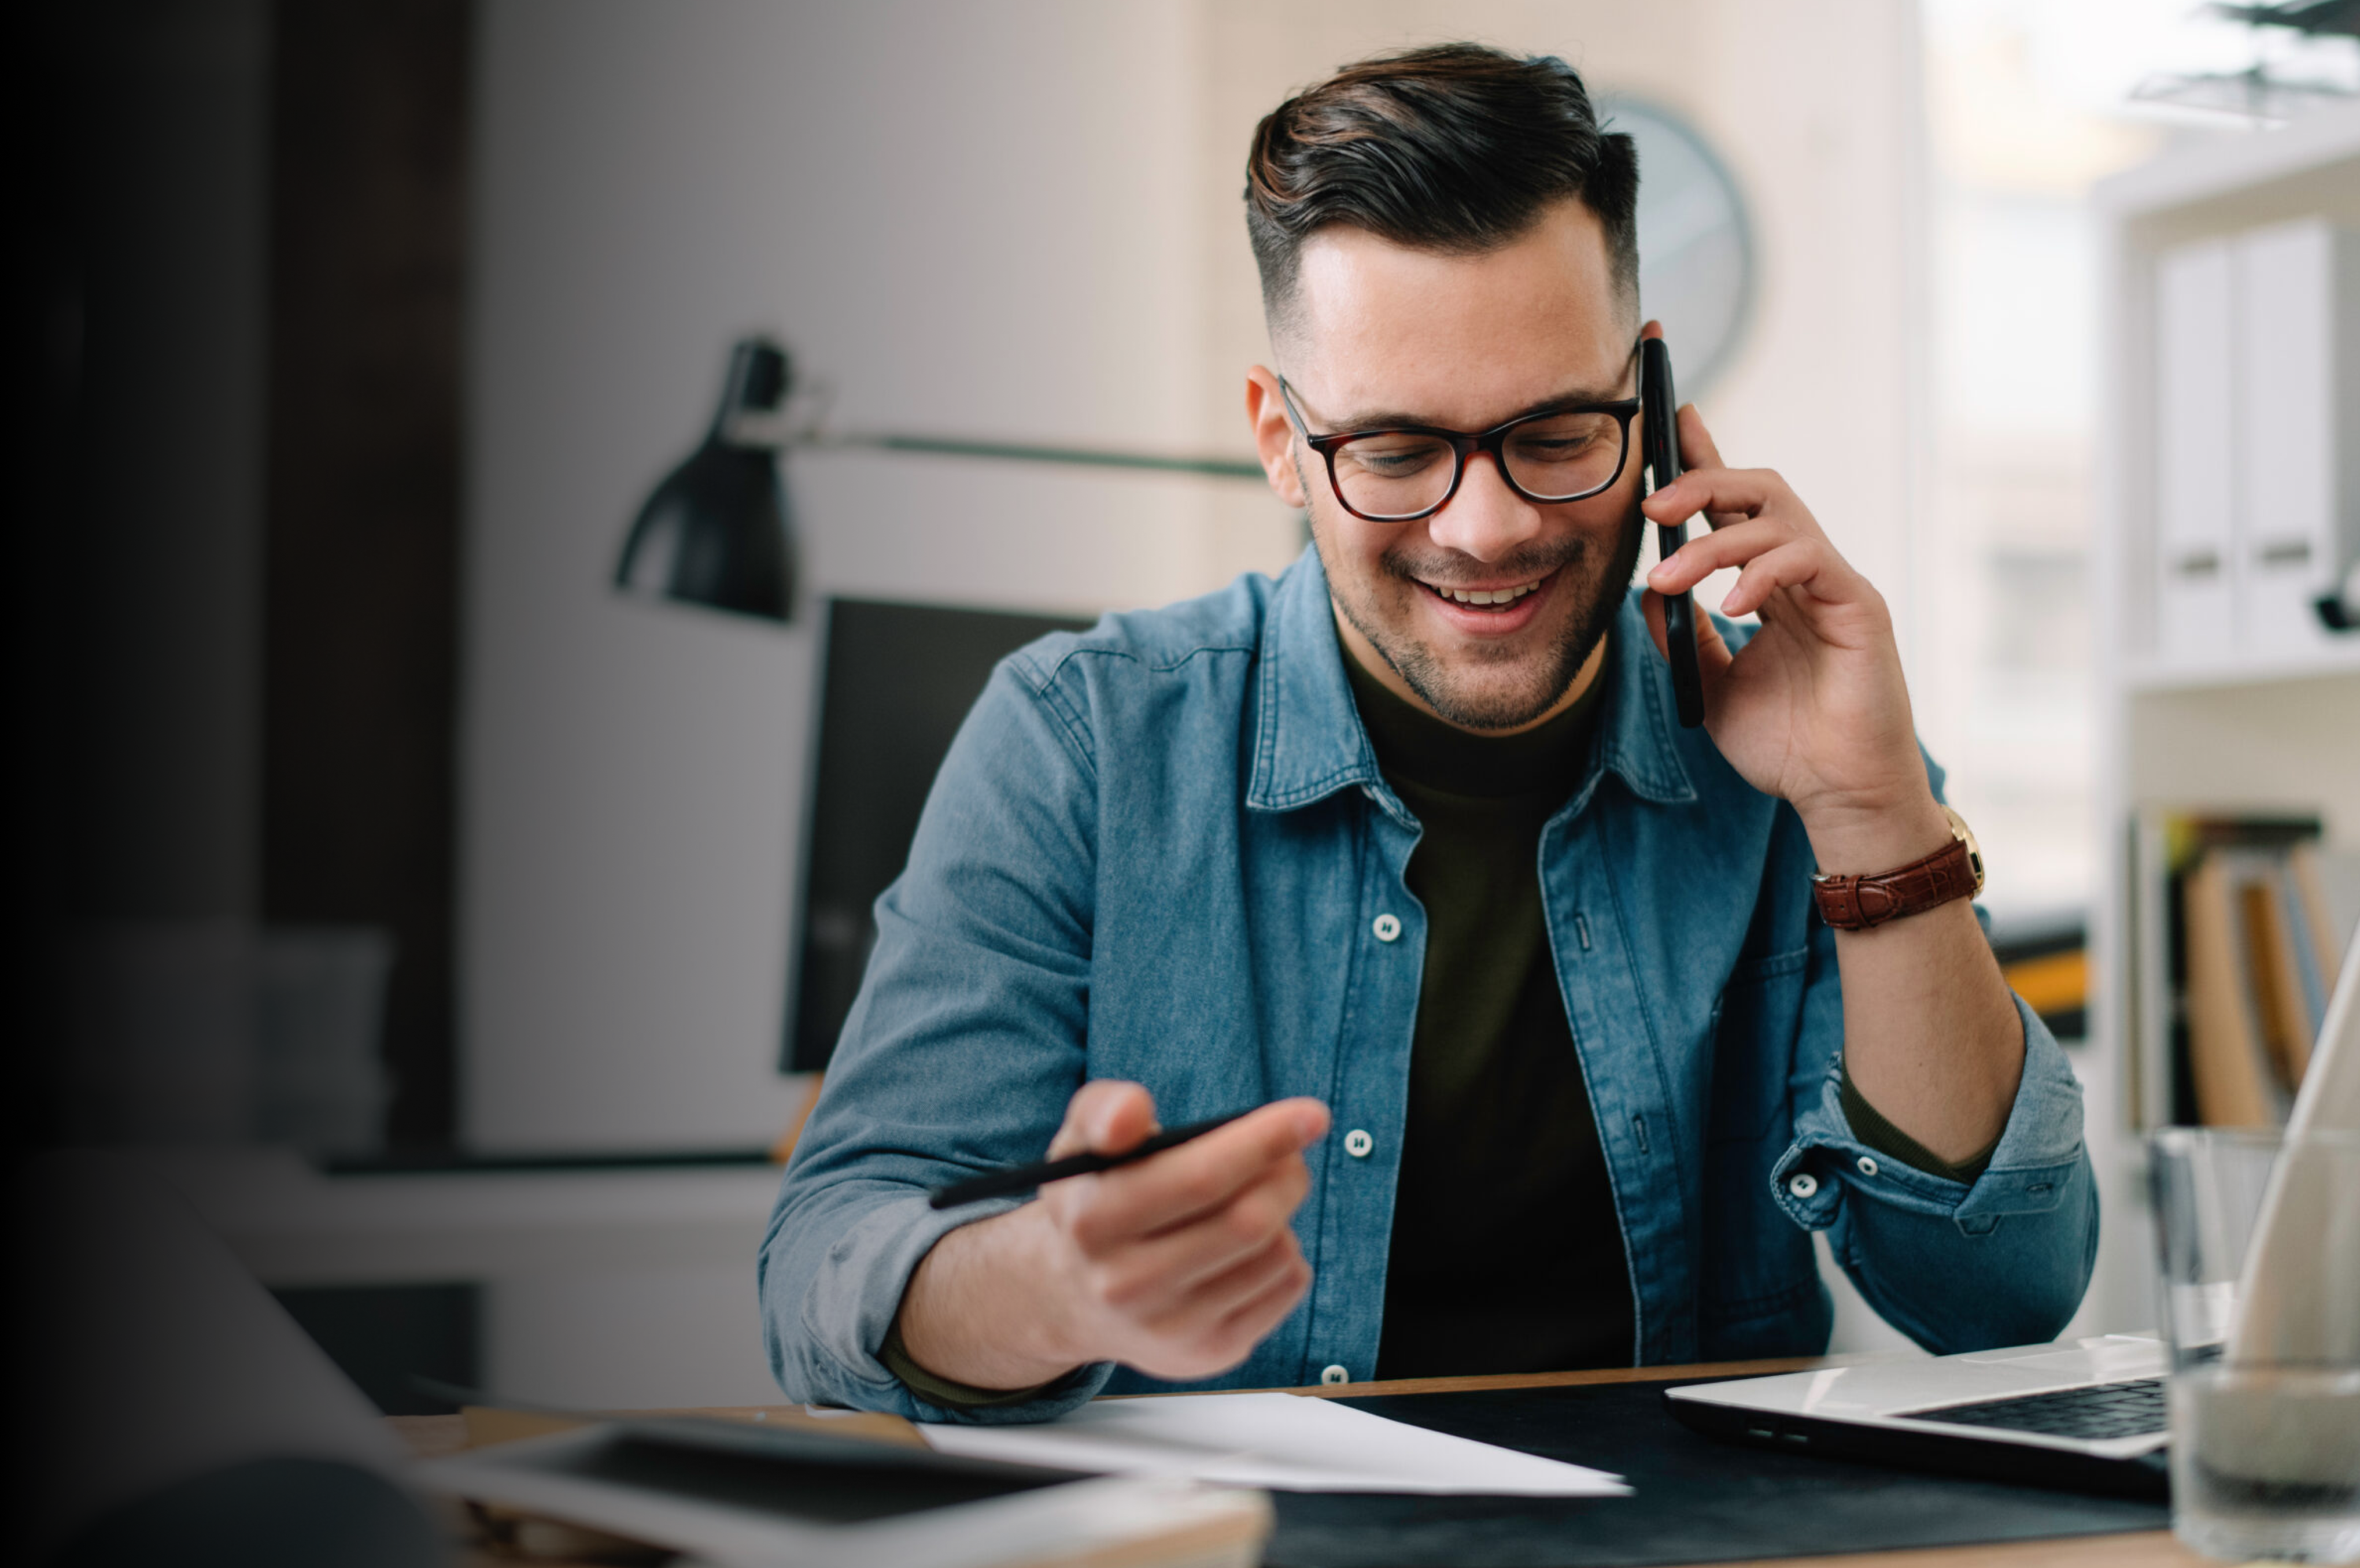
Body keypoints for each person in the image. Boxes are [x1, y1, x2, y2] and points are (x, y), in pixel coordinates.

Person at [760, 43, 2094, 1420]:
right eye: (1396, 453)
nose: (1487, 526)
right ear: (1280, 439)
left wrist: (1875, 817)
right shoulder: (1082, 744)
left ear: (1645, 404)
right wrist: (1047, 1285)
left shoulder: (1808, 745)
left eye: (1557, 432)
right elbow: (822, 1269)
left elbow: (2001, 1300)